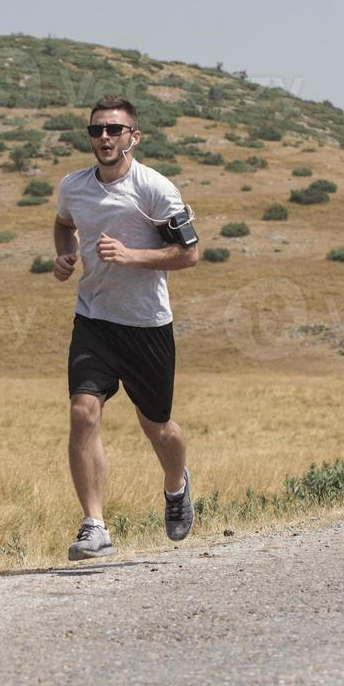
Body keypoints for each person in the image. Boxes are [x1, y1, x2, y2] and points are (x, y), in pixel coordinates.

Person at [52, 95, 200, 561]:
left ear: (134, 137)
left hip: (146, 324)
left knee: (158, 427)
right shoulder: (74, 187)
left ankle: (176, 488)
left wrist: (133, 256)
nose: (104, 138)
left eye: (114, 130)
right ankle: (94, 525)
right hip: (94, 318)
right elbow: (63, 224)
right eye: (97, 130)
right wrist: (65, 254)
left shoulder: (157, 190)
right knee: (83, 413)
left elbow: (190, 254)